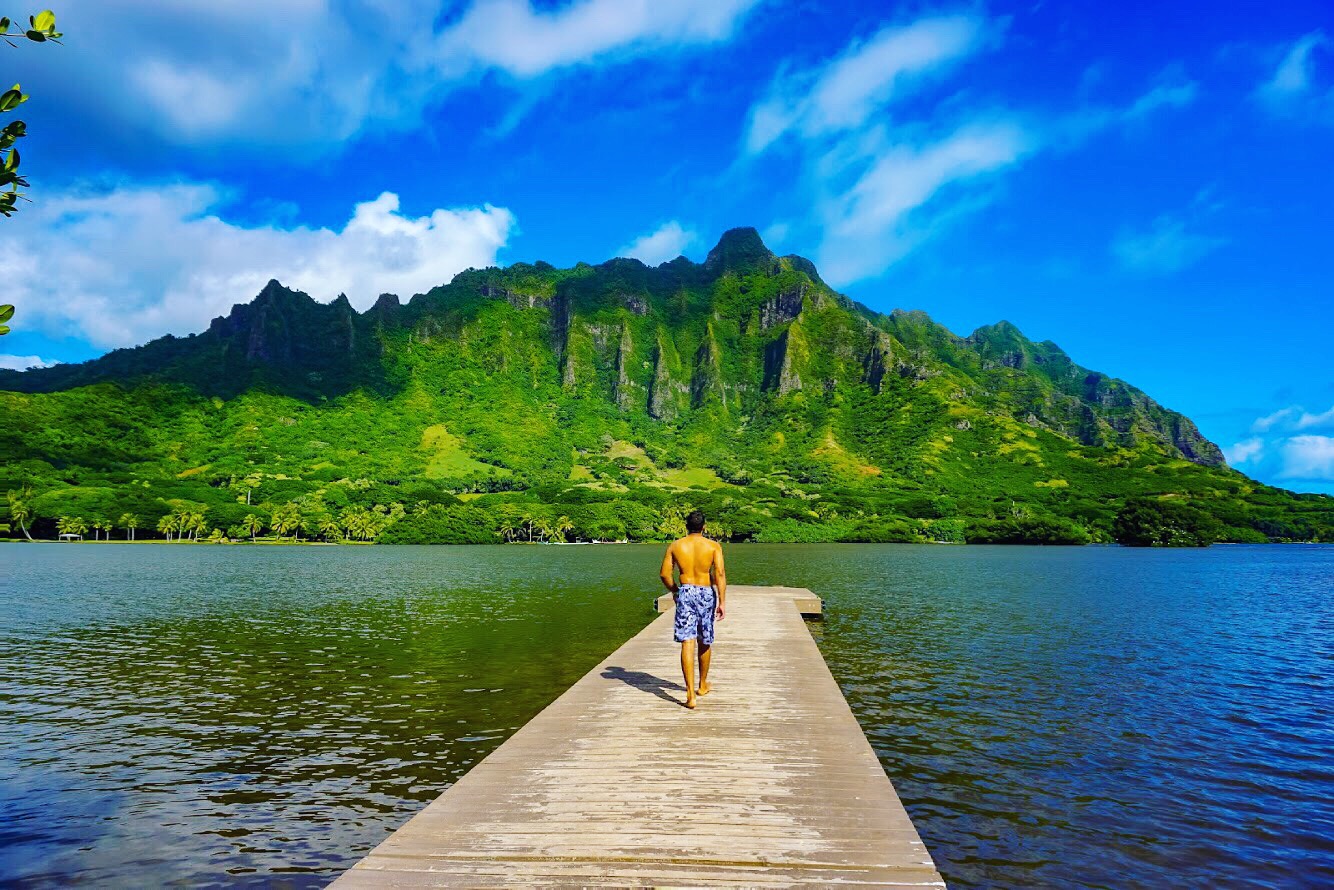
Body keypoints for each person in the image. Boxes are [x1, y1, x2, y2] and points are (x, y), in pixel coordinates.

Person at [659, 510, 726, 709]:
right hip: (706, 592)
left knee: (687, 642)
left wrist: (674, 590)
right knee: (705, 639)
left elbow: (664, 574)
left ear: (686, 526)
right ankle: (702, 685)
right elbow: (720, 573)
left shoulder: (676, 546)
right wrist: (722, 601)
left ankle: (690, 695)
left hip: (686, 591)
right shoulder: (713, 546)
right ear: (704, 527)